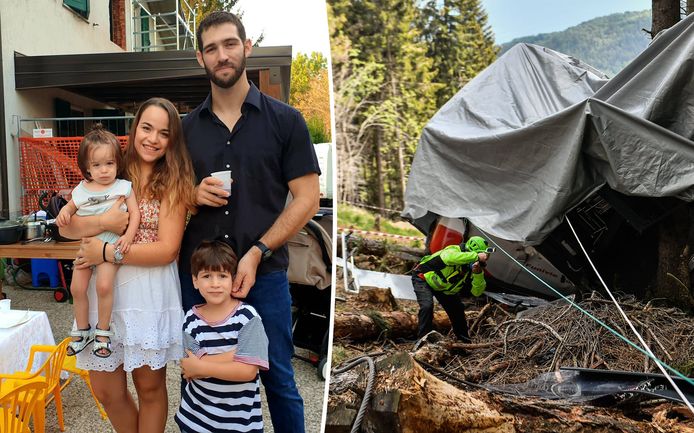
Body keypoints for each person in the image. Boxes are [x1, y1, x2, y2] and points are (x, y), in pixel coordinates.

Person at [179, 11, 320, 433]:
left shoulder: (286, 121)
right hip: (199, 277)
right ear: (199, 58)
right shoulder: (184, 130)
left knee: (278, 377)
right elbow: (161, 193)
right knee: (198, 371)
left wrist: (257, 252)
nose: (221, 55)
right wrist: (190, 194)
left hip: (266, 274)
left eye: (229, 44)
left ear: (247, 48)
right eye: (211, 48)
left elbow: (307, 198)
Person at [60, 97, 197, 433]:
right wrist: (103, 222)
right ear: (135, 129)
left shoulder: (174, 180)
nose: (152, 139)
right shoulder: (111, 168)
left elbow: (167, 249)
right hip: (103, 289)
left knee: (149, 387)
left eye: (163, 133)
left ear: (172, 140)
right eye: (146, 128)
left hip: (148, 291)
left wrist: (106, 253)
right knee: (106, 389)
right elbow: (67, 228)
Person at [57, 125, 141, 358]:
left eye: (109, 163)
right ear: (87, 168)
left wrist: (128, 237)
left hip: (110, 246)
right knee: (76, 287)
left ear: (117, 163)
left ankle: (103, 332)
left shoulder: (123, 187)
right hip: (86, 246)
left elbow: (135, 214)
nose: (104, 170)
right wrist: (64, 212)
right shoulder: (81, 189)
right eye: (97, 165)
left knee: (103, 286)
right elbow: (69, 208)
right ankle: (82, 330)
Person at [175, 240, 269, 433]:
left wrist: (202, 366)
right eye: (207, 276)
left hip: (238, 423)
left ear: (233, 279)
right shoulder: (191, 319)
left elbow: (247, 372)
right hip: (195, 419)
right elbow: (190, 368)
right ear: (195, 280)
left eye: (222, 276)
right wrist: (237, 355)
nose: (215, 284)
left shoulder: (248, 318)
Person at [411, 236, 493, 343]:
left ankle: (464, 343)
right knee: (427, 306)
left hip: (444, 289)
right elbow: (449, 258)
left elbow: (477, 292)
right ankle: (422, 341)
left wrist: (478, 273)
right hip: (424, 278)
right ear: (469, 252)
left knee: (458, 310)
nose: (478, 263)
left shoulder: (471, 269)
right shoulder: (453, 250)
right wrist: (476, 256)